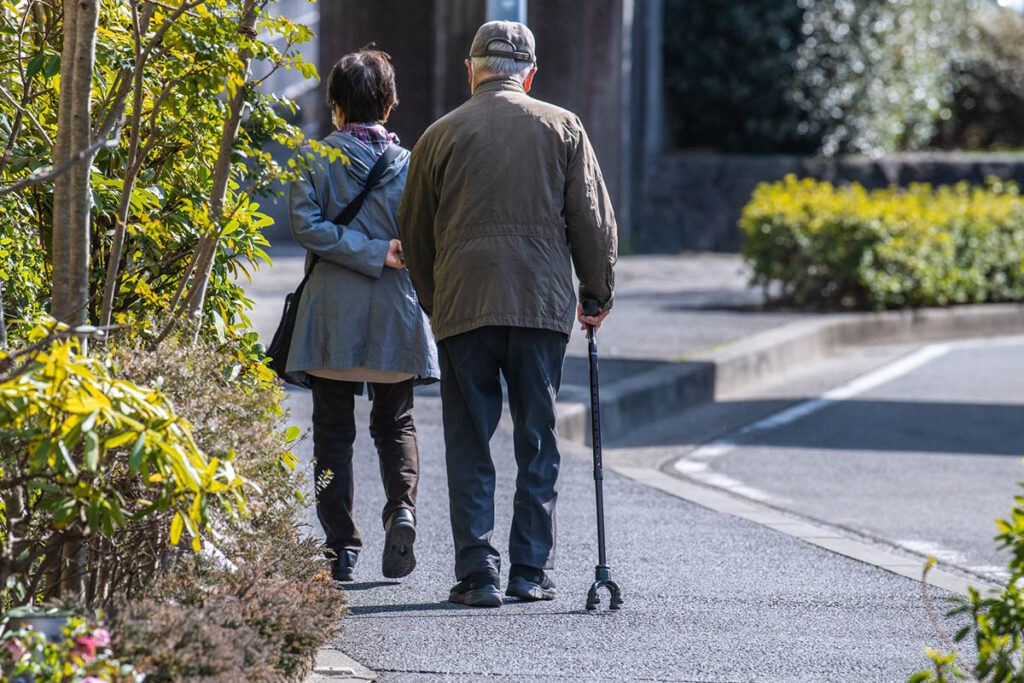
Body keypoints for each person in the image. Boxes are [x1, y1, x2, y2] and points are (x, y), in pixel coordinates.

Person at [398, 21, 617, 607]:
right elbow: (592, 221)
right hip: (541, 304)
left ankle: (477, 573)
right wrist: (596, 293)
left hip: (464, 303)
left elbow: (414, 234)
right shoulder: (563, 127)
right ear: (530, 73)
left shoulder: (438, 136)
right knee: (538, 437)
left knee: (469, 437)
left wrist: (433, 295)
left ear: (471, 70)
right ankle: (528, 569)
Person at [287, 48, 439, 583]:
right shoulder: (412, 163)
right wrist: (384, 253)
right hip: (396, 311)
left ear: (334, 106)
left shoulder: (312, 158)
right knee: (395, 421)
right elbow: (428, 235)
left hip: (331, 316)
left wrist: (359, 249)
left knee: (331, 432)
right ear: (390, 103)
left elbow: (306, 228)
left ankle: (341, 548)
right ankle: (402, 508)